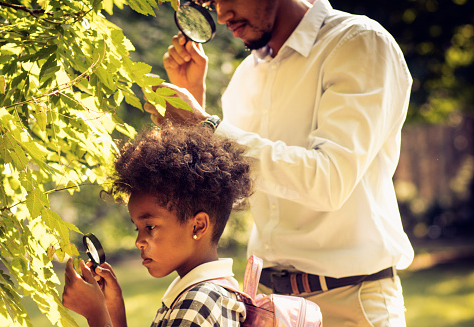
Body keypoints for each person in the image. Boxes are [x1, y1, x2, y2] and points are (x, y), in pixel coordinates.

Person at [144, 0, 415, 325]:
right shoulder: (245, 77)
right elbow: (237, 193)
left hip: (352, 305)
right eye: (212, 3)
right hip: (269, 306)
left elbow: (329, 181)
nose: (221, 14)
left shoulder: (359, 42)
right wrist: (195, 111)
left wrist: (208, 127)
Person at [62, 125, 252, 327]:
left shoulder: (197, 303)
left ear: (197, 227)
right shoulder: (200, 293)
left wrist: (95, 313)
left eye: (150, 227)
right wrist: (113, 307)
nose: (138, 242)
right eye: (138, 228)